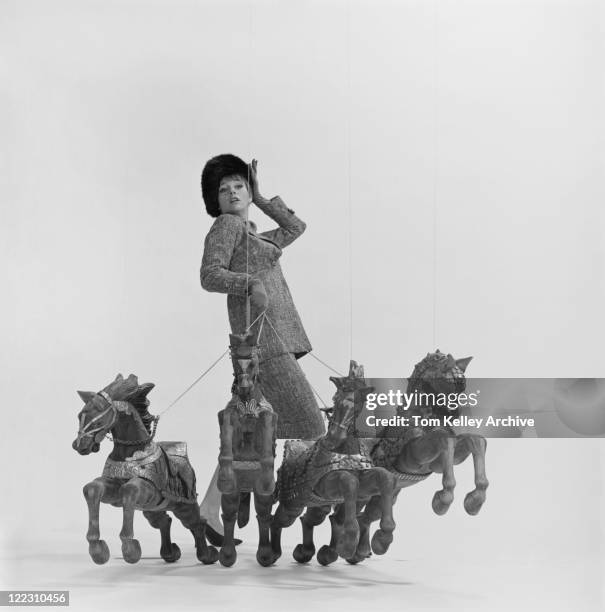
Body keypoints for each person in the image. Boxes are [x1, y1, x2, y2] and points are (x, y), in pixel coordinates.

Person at [198, 153, 325, 536]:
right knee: (311, 421)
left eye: (239, 185)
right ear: (215, 201)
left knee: (247, 433)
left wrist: (264, 196)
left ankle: (209, 508)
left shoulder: (254, 233)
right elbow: (209, 274)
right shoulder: (226, 226)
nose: (232, 192)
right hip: (260, 342)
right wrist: (246, 283)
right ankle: (295, 494)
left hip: (275, 339)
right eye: (224, 189)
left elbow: (296, 226)